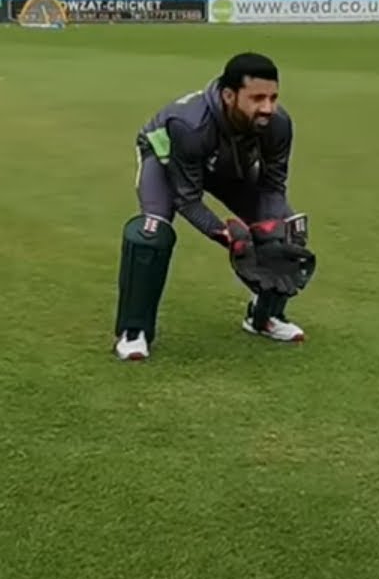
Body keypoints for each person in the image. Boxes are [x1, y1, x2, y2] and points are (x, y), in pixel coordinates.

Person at [113, 52, 315, 361]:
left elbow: (273, 186)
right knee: (151, 234)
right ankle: (134, 330)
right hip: (167, 160)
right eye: (257, 98)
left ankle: (263, 317)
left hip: (224, 165)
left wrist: (269, 230)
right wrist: (227, 236)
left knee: (286, 229)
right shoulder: (190, 125)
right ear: (229, 95)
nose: (267, 108)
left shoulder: (279, 125)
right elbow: (187, 199)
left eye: (273, 97)